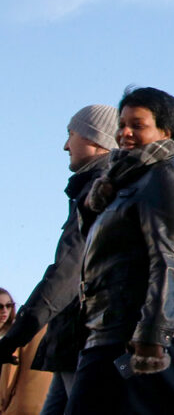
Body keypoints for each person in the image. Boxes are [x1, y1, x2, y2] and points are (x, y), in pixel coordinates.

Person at [65, 87, 174, 415]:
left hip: (156, 333)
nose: (124, 132)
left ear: (166, 131)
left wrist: (152, 339)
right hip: (109, 332)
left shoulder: (166, 178)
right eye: (122, 124)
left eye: (137, 125)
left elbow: (167, 260)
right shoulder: (123, 181)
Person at [0, 105, 118, 415]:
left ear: (96, 139)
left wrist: (13, 337)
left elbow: (66, 274)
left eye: (71, 134)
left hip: (84, 336)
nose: (66, 145)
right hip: (75, 337)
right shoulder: (98, 188)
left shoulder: (98, 192)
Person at [1, 288, 52, 415]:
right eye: (0, 307)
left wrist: (2, 403)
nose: (5, 311)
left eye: (9, 306)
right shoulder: (47, 327)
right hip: (44, 404)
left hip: (18, 403)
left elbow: (9, 371)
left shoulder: (15, 334)